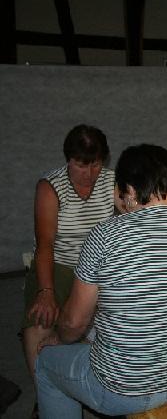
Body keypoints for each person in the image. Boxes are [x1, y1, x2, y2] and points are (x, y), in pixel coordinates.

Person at [35, 144, 167, 418]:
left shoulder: (104, 235)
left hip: (126, 388)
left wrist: (59, 338)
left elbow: (74, 323)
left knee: (46, 362)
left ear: (130, 191)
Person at [22, 124, 114, 384]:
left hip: (99, 266)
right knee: (40, 321)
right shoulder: (51, 186)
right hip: (60, 263)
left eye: (95, 164)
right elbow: (45, 244)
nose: (89, 173)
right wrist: (46, 292)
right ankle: (45, 392)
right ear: (69, 160)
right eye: (81, 165)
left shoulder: (112, 182)